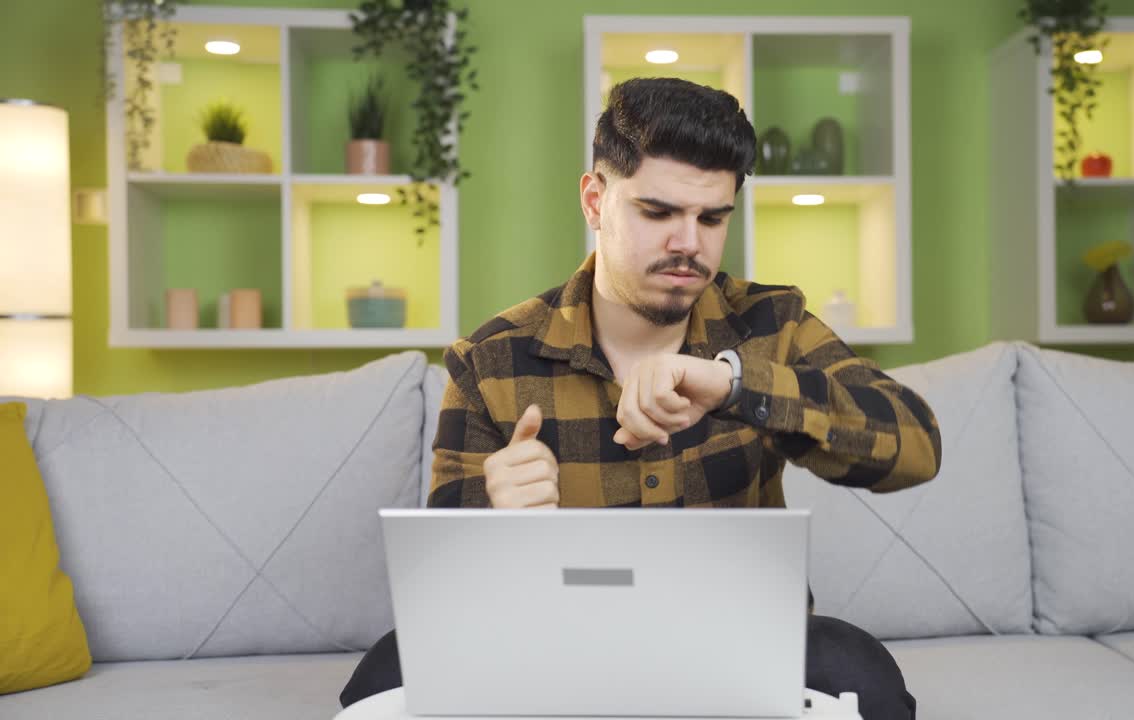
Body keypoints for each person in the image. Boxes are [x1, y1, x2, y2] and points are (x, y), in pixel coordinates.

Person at [340, 77, 942, 720]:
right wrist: (496, 516)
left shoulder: (774, 324)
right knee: (387, 671)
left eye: (712, 217)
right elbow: (441, 599)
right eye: (658, 213)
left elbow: (915, 445)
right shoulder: (493, 359)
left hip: (745, 644)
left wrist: (740, 385)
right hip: (548, 651)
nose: (689, 242)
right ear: (595, 200)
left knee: (857, 668)